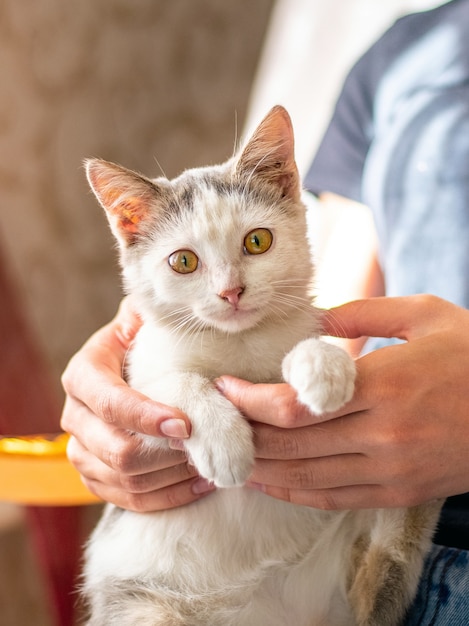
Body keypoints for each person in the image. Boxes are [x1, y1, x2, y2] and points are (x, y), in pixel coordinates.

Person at [61, 0, 469, 622]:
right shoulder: (402, 58)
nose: (228, 287)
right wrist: (127, 374)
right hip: (331, 546)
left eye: (253, 245)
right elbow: (344, 315)